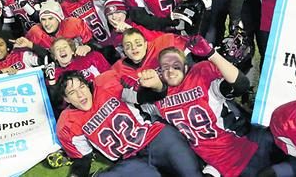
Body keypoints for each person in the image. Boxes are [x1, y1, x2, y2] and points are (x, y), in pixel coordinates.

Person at [130, 46, 279, 177]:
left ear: (186, 68)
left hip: (239, 150)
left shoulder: (200, 77)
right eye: (165, 67)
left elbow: (241, 85)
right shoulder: (157, 96)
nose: (171, 71)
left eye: (176, 66)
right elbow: (134, 108)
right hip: (211, 163)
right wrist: (142, 91)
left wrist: (212, 54)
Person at [55, 71, 203, 177]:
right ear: (66, 99)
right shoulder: (67, 122)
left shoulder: (106, 84)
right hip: (130, 160)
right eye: (72, 92)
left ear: (87, 85)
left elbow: (145, 97)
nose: (80, 94)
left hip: (155, 138)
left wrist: (158, 86)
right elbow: (83, 159)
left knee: (191, 174)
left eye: (82, 87)